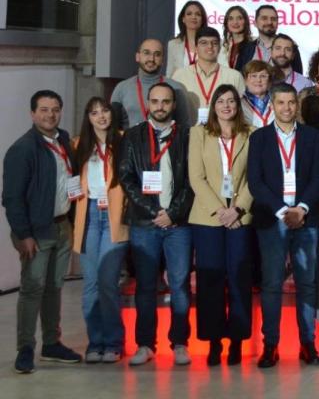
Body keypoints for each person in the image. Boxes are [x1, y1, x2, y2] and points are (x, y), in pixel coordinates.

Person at [247, 83, 319, 368]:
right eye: (280, 103)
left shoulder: (311, 136)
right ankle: (270, 346)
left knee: (307, 283)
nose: (286, 108)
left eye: (291, 102)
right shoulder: (259, 138)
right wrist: (283, 210)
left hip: (305, 220)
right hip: (273, 219)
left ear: (297, 104)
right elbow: (255, 181)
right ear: (273, 105)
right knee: (271, 285)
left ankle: (308, 344)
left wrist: (301, 208)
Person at [3, 90, 83, 374]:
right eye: (44, 109)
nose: (50, 114)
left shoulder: (63, 141)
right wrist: (24, 235)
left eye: (55, 109)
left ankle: (51, 343)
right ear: (32, 113)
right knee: (32, 289)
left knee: (54, 288)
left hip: (61, 226)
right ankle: (25, 348)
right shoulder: (23, 149)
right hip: (35, 233)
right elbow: (11, 198)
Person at [119, 82, 194, 367]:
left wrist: (173, 213)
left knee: (180, 285)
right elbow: (126, 178)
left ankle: (180, 343)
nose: (160, 106)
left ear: (173, 105)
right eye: (155, 101)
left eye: (166, 101)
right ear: (148, 104)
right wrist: (153, 211)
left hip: (178, 225)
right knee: (145, 287)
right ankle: (145, 344)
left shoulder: (186, 135)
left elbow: (191, 180)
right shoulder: (133, 135)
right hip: (145, 223)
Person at [187, 84, 254, 366]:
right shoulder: (198, 133)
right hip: (208, 217)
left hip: (241, 217)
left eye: (231, 101)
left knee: (239, 279)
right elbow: (196, 177)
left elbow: (255, 176)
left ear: (238, 106)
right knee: (210, 280)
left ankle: (237, 341)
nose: (226, 106)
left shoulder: (250, 134)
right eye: (221, 101)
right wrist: (220, 210)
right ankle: (214, 341)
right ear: (213, 106)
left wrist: (237, 209)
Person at [71, 97, 129, 364]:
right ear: (88, 117)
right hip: (90, 214)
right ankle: (95, 342)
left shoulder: (123, 140)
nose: (101, 116)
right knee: (91, 285)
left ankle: (114, 342)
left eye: (104, 110)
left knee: (108, 282)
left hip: (115, 216)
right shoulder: (78, 144)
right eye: (94, 112)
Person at [110, 38, 192, 128]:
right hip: (130, 141)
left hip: (166, 141)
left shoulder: (176, 88)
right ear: (137, 57)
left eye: (157, 54)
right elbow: (113, 127)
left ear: (162, 59)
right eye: (146, 53)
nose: (151, 59)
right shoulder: (121, 88)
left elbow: (185, 127)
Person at [171, 27, 246, 125]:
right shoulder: (179, 75)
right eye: (204, 43)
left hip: (224, 135)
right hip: (189, 134)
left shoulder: (234, 76)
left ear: (219, 47)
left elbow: (241, 111)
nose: (210, 46)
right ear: (196, 47)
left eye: (214, 43)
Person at [234, 4, 304, 74]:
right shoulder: (245, 49)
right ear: (255, 23)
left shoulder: (290, 47)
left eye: (273, 19)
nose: (269, 22)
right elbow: (238, 78)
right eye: (264, 18)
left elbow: (298, 78)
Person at [166, 0, 210, 78]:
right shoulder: (173, 44)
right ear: (183, 19)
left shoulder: (213, 43)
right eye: (189, 14)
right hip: (181, 88)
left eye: (198, 14)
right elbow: (169, 74)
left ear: (202, 20)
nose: (193, 17)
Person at [240, 60, 275, 128]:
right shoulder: (238, 103)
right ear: (246, 80)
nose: (258, 80)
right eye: (254, 76)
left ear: (269, 82)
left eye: (263, 76)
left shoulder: (277, 103)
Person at [220, 5, 254, 69]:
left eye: (239, 18)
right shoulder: (221, 45)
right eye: (231, 19)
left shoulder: (254, 44)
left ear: (245, 21)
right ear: (226, 23)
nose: (235, 22)